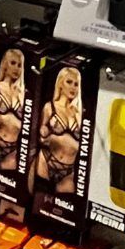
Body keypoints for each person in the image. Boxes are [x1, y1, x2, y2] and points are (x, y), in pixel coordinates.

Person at [36, 64, 83, 193]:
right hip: (45, 161)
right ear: (60, 84)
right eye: (69, 82)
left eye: (76, 84)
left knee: (63, 208)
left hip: (68, 171)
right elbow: (40, 138)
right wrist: (45, 135)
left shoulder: (80, 115)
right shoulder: (49, 107)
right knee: (40, 202)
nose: (73, 87)